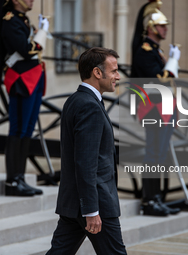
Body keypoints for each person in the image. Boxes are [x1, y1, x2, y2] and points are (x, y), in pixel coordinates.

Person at [46, 47, 127, 255]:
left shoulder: (76, 100)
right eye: (114, 71)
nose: (118, 76)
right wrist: (92, 210)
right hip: (94, 203)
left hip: (74, 203)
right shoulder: (88, 106)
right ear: (97, 73)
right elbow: (85, 162)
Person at [131, 3, 181, 216]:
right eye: (161, 26)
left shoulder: (155, 50)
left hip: (164, 108)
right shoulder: (145, 50)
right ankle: (149, 200)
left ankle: (156, 197)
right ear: (151, 27)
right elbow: (159, 80)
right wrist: (173, 63)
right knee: (153, 154)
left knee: (160, 155)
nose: (165, 29)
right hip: (153, 109)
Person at [0, 0, 48, 196]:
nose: (31, 0)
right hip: (21, 80)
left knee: (27, 130)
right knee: (17, 129)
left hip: (33, 79)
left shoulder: (23, 20)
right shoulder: (10, 21)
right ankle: (12, 181)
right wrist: (41, 33)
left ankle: (21, 178)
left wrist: (39, 31)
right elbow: (26, 50)